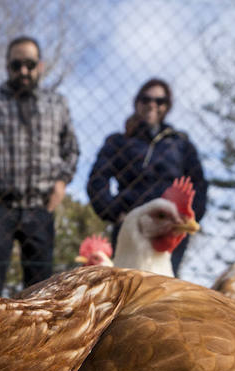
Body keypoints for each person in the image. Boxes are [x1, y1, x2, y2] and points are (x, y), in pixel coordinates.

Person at [0, 36, 79, 292]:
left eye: (29, 65)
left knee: (40, 286)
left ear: (40, 66)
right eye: (16, 65)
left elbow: (71, 149)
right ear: (7, 67)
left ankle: (35, 333)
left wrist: (61, 183)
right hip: (0, 206)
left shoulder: (57, 104)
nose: (23, 71)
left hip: (41, 206)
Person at [86, 78, 207, 275]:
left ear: (167, 106)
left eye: (160, 101)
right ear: (137, 103)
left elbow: (199, 183)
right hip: (133, 227)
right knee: (127, 289)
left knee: (165, 291)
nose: (152, 104)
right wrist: (114, 212)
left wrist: (187, 219)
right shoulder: (119, 141)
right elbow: (98, 178)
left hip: (169, 228)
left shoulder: (180, 143)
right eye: (146, 99)